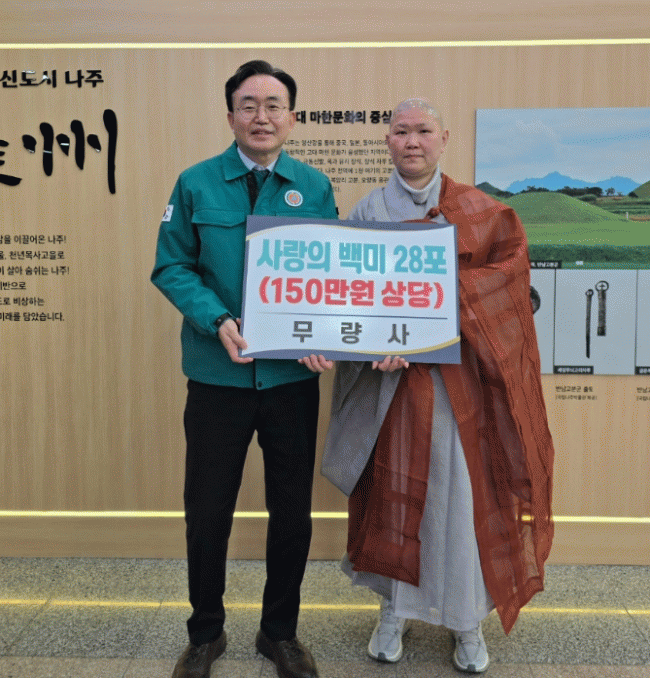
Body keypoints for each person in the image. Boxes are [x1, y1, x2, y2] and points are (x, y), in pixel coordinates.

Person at [320, 99, 554, 674]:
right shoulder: (368, 209)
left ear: (443, 138)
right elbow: (346, 291)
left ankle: (466, 621)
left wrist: (451, 299)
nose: (412, 141)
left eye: (423, 130)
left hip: (458, 388)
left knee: (462, 500)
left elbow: (512, 285)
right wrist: (375, 342)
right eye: (401, 131)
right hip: (389, 389)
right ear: (388, 141)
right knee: (391, 493)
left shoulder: (478, 210)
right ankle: (393, 611)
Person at [151, 60, 337, 678]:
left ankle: (279, 633)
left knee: (292, 511)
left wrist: (324, 335)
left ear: (292, 116)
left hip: (291, 379)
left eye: (274, 104)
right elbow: (171, 266)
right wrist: (216, 318)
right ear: (230, 115)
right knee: (207, 511)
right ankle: (205, 633)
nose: (262, 116)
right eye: (249, 105)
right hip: (218, 376)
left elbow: (331, 275)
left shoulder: (314, 186)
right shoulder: (196, 183)